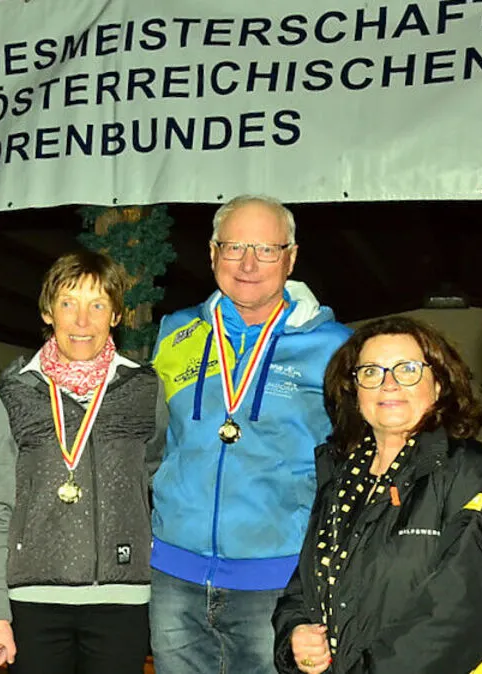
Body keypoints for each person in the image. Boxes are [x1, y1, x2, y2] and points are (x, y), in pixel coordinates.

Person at [149, 195, 351, 673]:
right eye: (235, 246)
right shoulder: (176, 332)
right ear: (213, 253)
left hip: (278, 582)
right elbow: (153, 442)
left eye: (265, 249)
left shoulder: (334, 346)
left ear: (291, 257)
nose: (248, 263)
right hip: (173, 576)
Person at [273, 316, 482, 674]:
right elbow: (303, 587)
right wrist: (294, 635)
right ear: (354, 389)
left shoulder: (472, 472)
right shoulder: (340, 477)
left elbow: (460, 611)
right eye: (371, 372)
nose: (388, 384)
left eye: (408, 369)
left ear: (439, 384)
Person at [0, 251, 167, 674]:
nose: (83, 321)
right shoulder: (14, 392)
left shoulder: (144, 388)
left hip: (123, 599)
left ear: (116, 314)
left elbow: (159, 483)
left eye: (97, 304)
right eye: (68, 303)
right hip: (34, 604)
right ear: (48, 312)